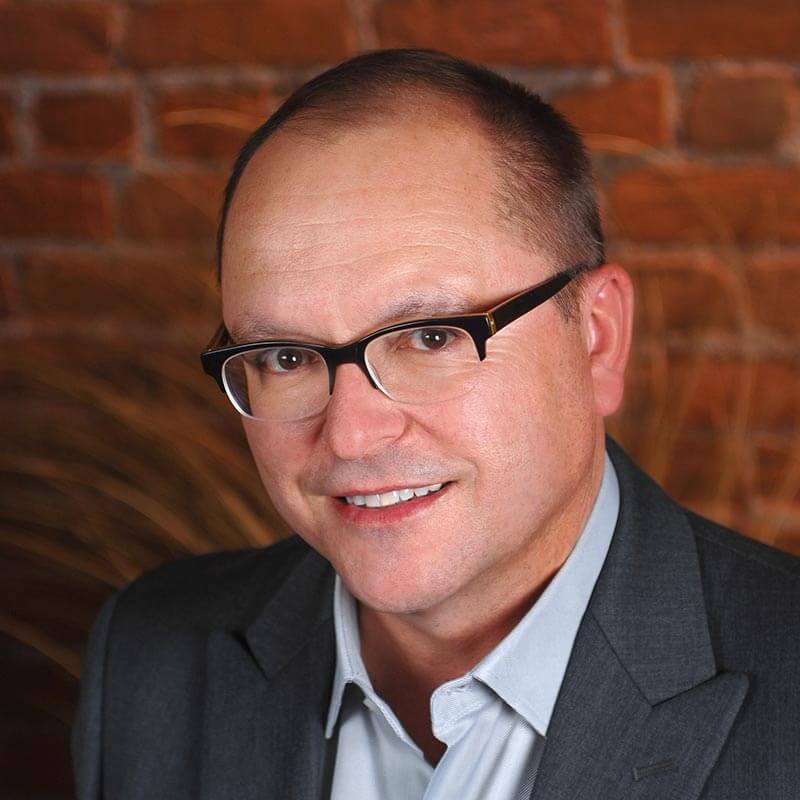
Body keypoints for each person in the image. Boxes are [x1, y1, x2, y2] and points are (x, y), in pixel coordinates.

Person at [72, 49, 800, 799]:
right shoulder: (151, 654)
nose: (351, 435)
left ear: (597, 337)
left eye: (429, 338)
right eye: (286, 357)